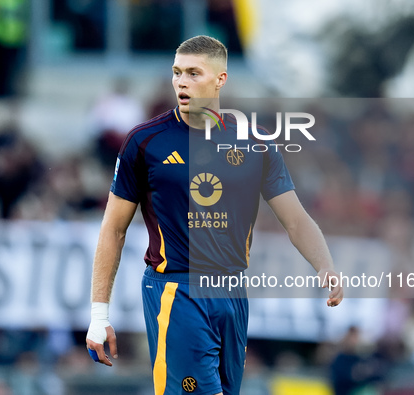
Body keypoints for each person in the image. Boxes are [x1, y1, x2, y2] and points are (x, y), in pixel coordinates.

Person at [86, 35, 344, 395]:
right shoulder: (145, 141)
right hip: (175, 291)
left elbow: (296, 219)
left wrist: (325, 265)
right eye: (177, 73)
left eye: (194, 73)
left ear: (220, 80)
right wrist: (99, 314)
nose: (181, 82)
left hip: (233, 292)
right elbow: (113, 228)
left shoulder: (255, 143)